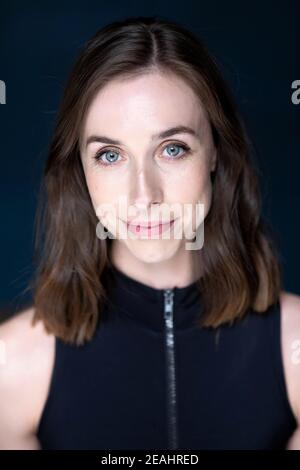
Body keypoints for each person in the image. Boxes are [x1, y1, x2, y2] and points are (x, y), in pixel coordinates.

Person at [0, 15, 300, 450]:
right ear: (80, 170)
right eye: (109, 155)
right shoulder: (13, 366)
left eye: (172, 148)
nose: (144, 195)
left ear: (215, 152)